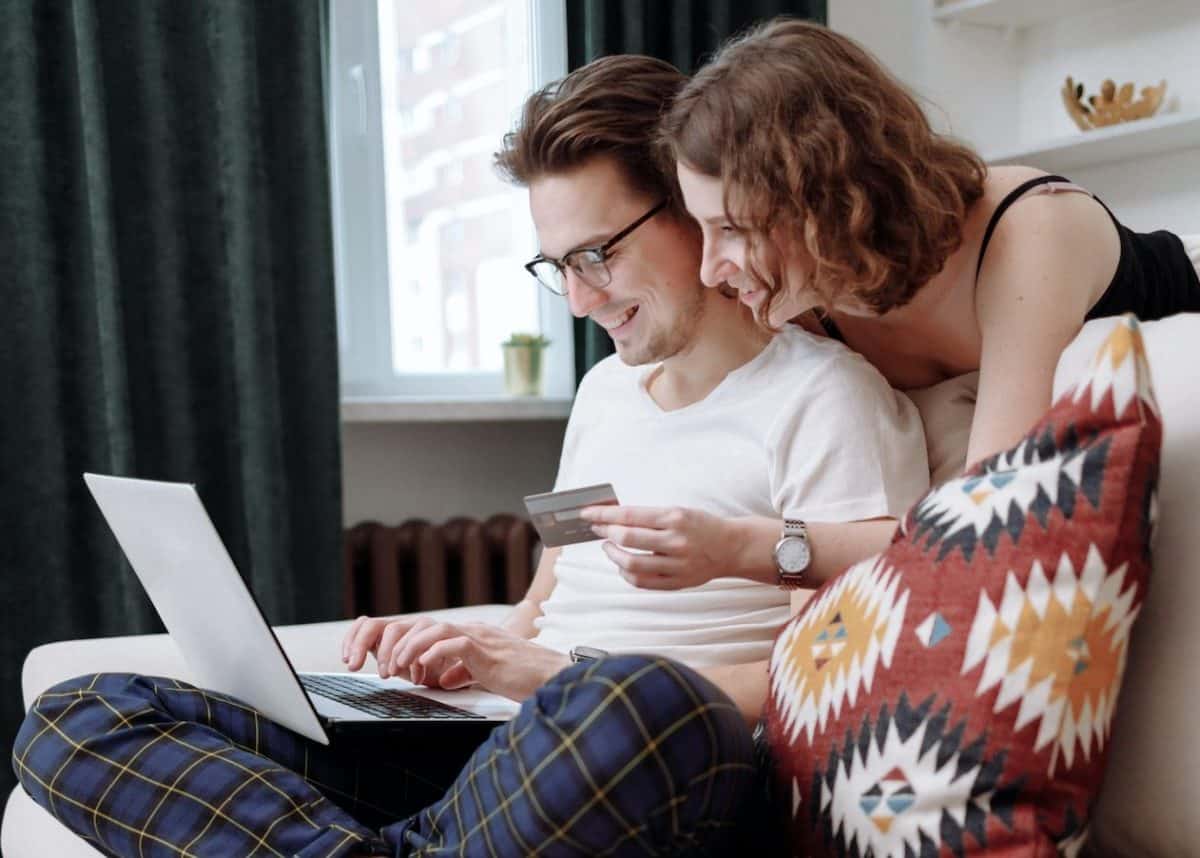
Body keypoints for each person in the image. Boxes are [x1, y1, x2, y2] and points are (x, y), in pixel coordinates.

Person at [12, 53, 927, 857]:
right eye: (559, 267)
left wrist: (556, 677)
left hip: (645, 753)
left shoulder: (824, 396)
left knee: (640, 700)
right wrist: (469, 651)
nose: (580, 300)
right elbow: (543, 601)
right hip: (504, 749)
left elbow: (821, 673)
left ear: (694, 206)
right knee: (80, 716)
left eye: (598, 255)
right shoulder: (605, 392)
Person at [656, 17, 1200, 478]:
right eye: (703, 229)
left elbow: (996, 492)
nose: (709, 270)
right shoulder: (800, 298)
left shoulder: (1029, 231)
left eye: (733, 228)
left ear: (824, 198)